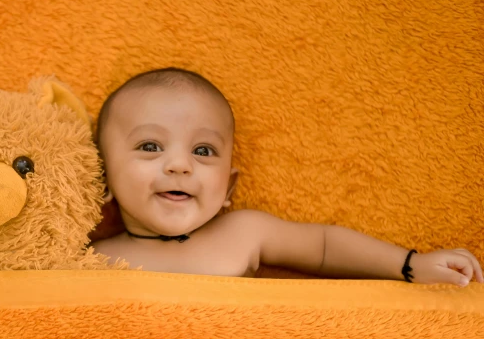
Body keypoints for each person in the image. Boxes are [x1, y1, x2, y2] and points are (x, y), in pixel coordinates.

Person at [91, 67, 483, 286]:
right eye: (150, 146)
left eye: (203, 151)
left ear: (228, 187)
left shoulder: (243, 233)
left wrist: (410, 265)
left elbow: (325, 246)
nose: (180, 165)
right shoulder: (92, 260)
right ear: (103, 177)